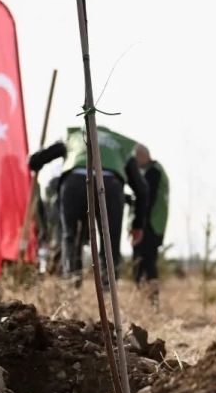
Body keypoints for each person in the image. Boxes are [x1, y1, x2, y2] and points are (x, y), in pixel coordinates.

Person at [28, 126, 149, 282]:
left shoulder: (74, 135)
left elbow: (36, 160)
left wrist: (35, 161)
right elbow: (142, 189)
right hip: (110, 184)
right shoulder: (120, 143)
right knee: (110, 241)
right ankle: (108, 287)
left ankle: (71, 283)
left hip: (74, 183)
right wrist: (137, 225)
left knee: (69, 237)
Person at [130, 144, 168, 302]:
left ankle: (150, 302)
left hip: (149, 226)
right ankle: (147, 302)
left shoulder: (152, 172)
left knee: (144, 266)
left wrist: (138, 225)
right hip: (151, 225)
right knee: (144, 265)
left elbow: (146, 201)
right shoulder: (154, 170)